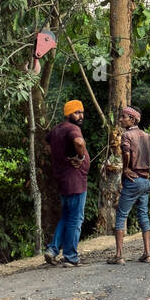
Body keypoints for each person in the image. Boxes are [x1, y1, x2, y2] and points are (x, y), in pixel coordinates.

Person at [110, 106, 150, 264]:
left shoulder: (127, 135)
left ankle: (118, 255)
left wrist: (126, 168)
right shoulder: (147, 136)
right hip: (145, 181)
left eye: (123, 117)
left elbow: (126, 152)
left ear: (133, 119)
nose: (120, 119)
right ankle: (147, 253)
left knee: (121, 216)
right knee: (143, 216)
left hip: (133, 181)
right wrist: (148, 164)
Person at [46, 99, 91, 267]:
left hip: (62, 180)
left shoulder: (56, 129)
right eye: (76, 112)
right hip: (75, 181)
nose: (80, 116)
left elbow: (48, 141)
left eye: (81, 112)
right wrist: (80, 157)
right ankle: (71, 256)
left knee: (66, 216)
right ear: (68, 113)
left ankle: (52, 249)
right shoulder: (73, 129)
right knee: (75, 219)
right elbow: (79, 142)